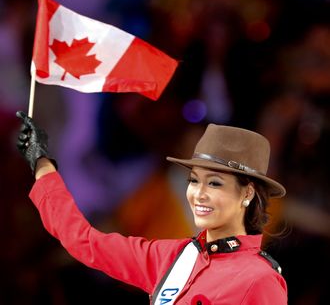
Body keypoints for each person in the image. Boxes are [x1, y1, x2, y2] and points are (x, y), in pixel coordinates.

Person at [16, 110, 287, 304]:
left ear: (247, 193)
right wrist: (42, 164)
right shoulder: (170, 257)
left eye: (214, 183)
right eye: (194, 181)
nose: (198, 194)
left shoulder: (260, 279)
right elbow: (84, 241)